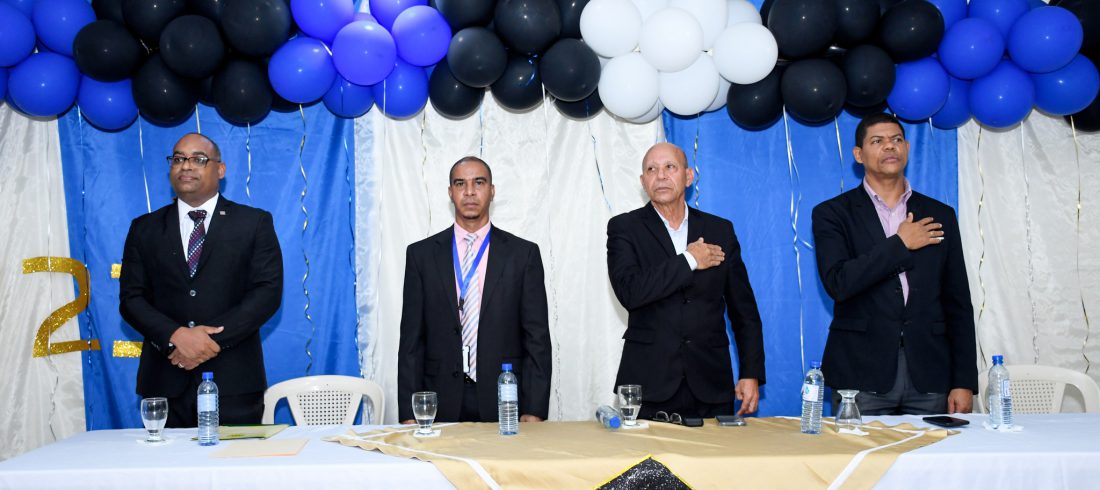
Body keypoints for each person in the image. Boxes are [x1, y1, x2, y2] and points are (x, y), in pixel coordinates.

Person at [811, 113, 977, 415]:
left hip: (930, 374)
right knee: (860, 449)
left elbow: (958, 302)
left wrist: (963, 381)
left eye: (896, 139)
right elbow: (839, 282)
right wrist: (900, 244)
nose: (890, 146)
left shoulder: (940, 214)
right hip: (861, 374)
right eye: (877, 141)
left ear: (907, 149)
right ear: (859, 155)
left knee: (935, 448)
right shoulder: (833, 214)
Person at [120, 133, 283, 427]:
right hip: (164, 381)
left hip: (234, 382)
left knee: (236, 459)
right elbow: (131, 299)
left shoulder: (253, 223)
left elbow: (266, 294)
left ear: (220, 169)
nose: (186, 166)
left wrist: (207, 342)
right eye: (178, 159)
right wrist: (176, 336)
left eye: (198, 159)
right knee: (165, 460)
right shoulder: (144, 228)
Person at [606, 142, 765, 419]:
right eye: (651, 169)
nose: (661, 175)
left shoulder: (720, 230)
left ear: (688, 176)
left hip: (711, 382)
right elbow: (630, 291)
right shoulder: (625, 228)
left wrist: (750, 372)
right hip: (649, 384)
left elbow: (744, 310)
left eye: (670, 167)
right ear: (643, 182)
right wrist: (689, 260)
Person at [398, 156, 552, 424]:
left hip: (505, 399)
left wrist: (535, 409)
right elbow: (411, 342)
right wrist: (410, 412)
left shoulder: (522, 255)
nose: (469, 191)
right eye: (460, 184)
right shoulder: (421, 256)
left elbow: (537, 339)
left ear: (492, 190)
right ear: (450, 192)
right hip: (438, 399)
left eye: (478, 183)